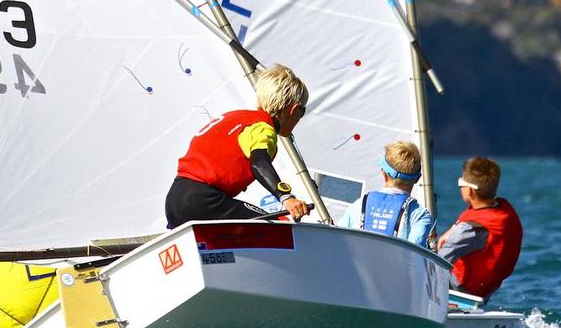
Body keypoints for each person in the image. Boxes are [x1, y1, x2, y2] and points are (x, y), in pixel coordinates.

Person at [165, 64, 310, 228]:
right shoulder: (263, 127)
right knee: (280, 226)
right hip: (203, 200)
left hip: (174, 201)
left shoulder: (234, 117)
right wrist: (285, 197)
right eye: (302, 112)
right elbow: (259, 163)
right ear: (294, 110)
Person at [437, 157, 523, 300]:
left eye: (460, 183)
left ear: (470, 191)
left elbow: (440, 260)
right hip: (484, 290)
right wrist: (454, 229)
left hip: (459, 289)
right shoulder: (504, 211)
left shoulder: (470, 229)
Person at [338, 141, 433, 247]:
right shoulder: (420, 215)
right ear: (417, 179)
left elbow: (339, 241)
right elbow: (414, 255)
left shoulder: (359, 204)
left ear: (383, 173)